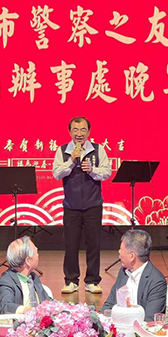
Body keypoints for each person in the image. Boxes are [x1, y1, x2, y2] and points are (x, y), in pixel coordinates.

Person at [52, 116, 112, 295]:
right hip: (71, 206)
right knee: (71, 245)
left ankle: (92, 281)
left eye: (83, 130)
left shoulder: (98, 149)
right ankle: (71, 280)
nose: (79, 133)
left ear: (89, 132)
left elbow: (107, 172)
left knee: (94, 244)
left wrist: (92, 170)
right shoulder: (63, 150)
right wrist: (71, 161)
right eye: (75, 130)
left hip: (93, 205)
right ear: (70, 132)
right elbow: (56, 173)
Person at [101, 229, 166, 321]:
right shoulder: (123, 272)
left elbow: (150, 319)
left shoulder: (156, 281)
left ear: (132, 256)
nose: (119, 252)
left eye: (121, 249)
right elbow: (109, 305)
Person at [0, 236, 52, 314]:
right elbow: (5, 306)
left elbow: (47, 302)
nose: (38, 256)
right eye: (36, 252)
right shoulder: (6, 282)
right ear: (28, 261)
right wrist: (26, 310)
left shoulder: (33, 278)